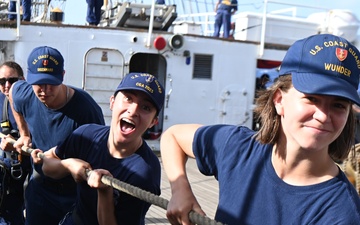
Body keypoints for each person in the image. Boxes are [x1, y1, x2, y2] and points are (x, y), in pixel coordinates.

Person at [160, 34, 360, 225]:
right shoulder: (238, 148)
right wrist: (180, 188)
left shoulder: (341, 213)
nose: (323, 115)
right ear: (279, 101)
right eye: (312, 99)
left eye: (338, 105)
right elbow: (173, 137)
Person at [31, 72, 164, 225]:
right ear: (112, 102)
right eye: (128, 99)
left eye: (145, 107)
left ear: (153, 121)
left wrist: (105, 193)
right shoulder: (86, 135)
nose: (133, 111)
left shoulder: (145, 173)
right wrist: (68, 165)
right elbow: (48, 164)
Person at [8, 46, 105, 225]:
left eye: (51, 83)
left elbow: (100, 154)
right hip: (40, 188)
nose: (45, 90)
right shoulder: (25, 93)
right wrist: (24, 134)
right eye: (38, 83)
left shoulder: (87, 110)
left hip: (74, 193)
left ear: (63, 75)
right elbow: (13, 92)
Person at [0, 61, 31, 225]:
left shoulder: (34, 104)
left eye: (12, 81)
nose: (7, 86)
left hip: (31, 176)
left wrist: (17, 146)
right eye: (2, 81)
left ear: (23, 80)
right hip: (6, 179)